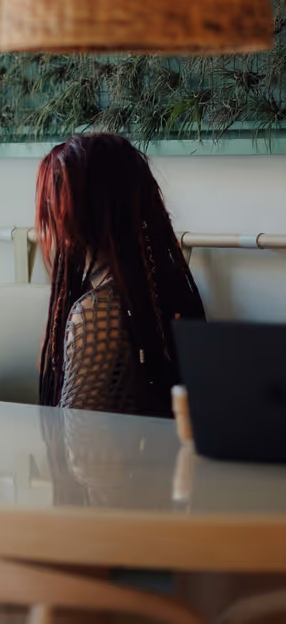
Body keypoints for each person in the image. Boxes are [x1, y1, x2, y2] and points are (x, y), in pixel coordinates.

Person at [36, 134, 205, 418]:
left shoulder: (94, 313)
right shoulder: (162, 292)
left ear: (71, 214)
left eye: (50, 203)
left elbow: (75, 441)